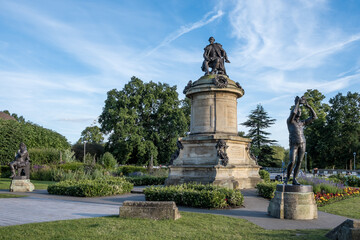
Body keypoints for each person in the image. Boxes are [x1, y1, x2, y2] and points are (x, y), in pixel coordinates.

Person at [285, 96, 317, 185]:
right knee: (292, 161)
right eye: (298, 110)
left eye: (300, 111)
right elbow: (294, 111)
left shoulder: (302, 123)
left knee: (299, 162)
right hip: (294, 144)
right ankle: (287, 178)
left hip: (303, 143)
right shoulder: (290, 121)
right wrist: (297, 103)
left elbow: (314, 117)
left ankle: (294, 179)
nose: (299, 111)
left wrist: (309, 106)